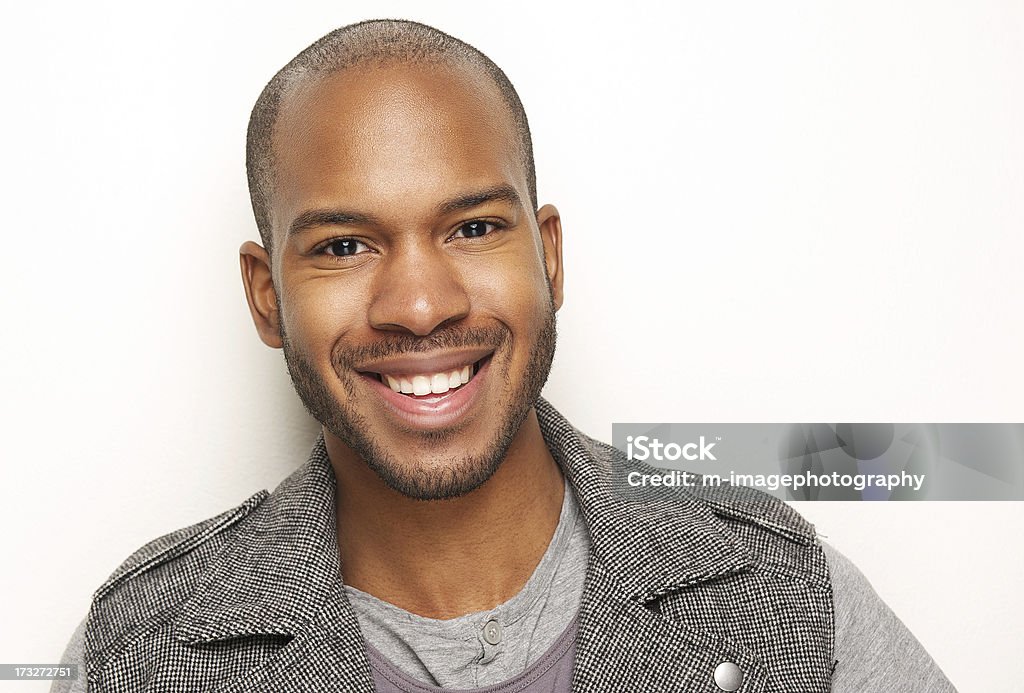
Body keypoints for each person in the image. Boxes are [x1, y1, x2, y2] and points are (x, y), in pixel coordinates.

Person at [54, 19, 956, 692]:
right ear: (265, 296)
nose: (419, 305)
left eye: (475, 227)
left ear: (549, 256)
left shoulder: (781, 594)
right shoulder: (141, 649)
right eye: (342, 246)